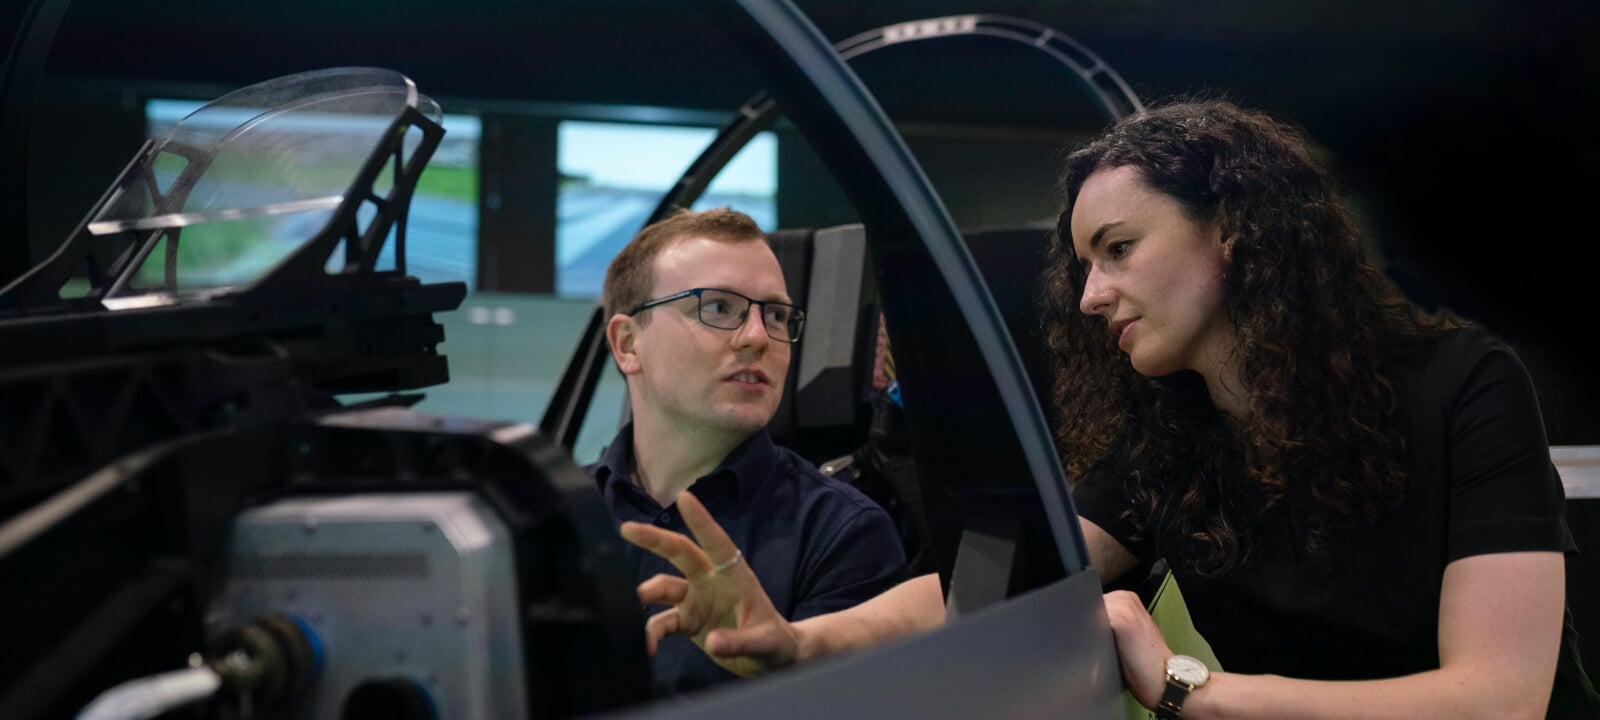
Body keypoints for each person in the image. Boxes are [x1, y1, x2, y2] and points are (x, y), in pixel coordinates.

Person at [618, 102, 1598, 718]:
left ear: (1239, 237)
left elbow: (1497, 699)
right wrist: (800, 644)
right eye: (1083, 263)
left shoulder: (1461, 382)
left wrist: (1189, 690)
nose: (1088, 296)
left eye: (1117, 249)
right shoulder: (1174, 433)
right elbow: (984, 589)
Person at [592, 207, 906, 697]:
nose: (760, 337)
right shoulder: (552, 516)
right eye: (718, 307)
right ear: (628, 344)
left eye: (776, 315)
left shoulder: (844, 534)